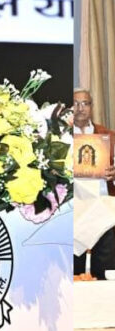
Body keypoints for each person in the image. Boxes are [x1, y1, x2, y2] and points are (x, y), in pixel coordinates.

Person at [73, 88, 115, 279]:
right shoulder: (61, 136)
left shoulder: (108, 136)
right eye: (76, 103)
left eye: (85, 103)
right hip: (72, 205)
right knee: (73, 271)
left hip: (102, 206)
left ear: (92, 107)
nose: (80, 108)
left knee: (104, 271)